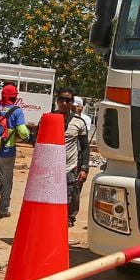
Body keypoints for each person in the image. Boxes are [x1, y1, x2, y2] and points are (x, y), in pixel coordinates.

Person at [0, 84, 30, 220]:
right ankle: (3, 210)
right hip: (7, 152)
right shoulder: (16, 111)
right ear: (15, 97)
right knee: (6, 181)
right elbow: (23, 132)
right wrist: (27, 137)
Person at [56, 88, 91, 227]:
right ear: (57, 101)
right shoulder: (48, 118)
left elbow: (85, 148)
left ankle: (68, 219)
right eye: (62, 99)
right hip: (51, 169)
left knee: (71, 196)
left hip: (70, 167)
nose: (64, 103)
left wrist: (84, 168)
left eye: (68, 100)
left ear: (72, 103)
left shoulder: (79, 123)